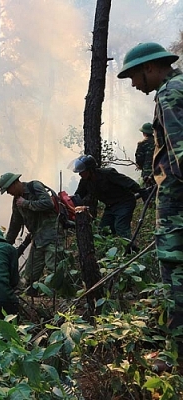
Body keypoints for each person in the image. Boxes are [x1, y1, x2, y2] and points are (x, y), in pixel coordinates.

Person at [117, 42, 183, 336]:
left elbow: (180, 154)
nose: (132, 84)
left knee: (175, 272)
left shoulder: (169, 93)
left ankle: (178, 352)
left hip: (177, 206)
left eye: (133, 76)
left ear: (149, 68)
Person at [0, 172, 64, 296]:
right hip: (38, 240)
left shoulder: (35, 186)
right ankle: (32, 300)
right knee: (28, 276)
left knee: (54, 270)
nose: (8, 193)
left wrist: (26, 204)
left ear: (15, 183)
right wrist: (5, 246)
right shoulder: (16, 201)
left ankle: (60, 300)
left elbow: (48, 203)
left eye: (8, 189)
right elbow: (15, 225)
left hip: (52, 235)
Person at [71, 154, 141, 239]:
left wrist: (143, 193)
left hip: (124, 203)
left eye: (82, 171)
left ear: (90, 170)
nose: (80, 174)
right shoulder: (85, 182)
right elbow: (78, 195)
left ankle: (131, 250)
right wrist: (68, 201)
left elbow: (129, 183)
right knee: (103, 231)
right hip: (110, 207)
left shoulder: (108, 173)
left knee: (121, 228)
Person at [135, 122, 156, 187]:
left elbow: (139, 159)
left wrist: (140, 166)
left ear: (144, 133)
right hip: (159, 169)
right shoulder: (159, 142)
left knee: (147, 190)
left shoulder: (142, 144)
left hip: (147, 172)